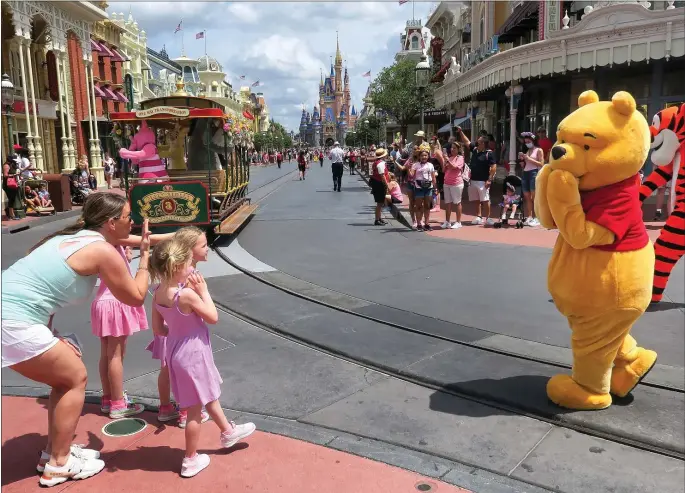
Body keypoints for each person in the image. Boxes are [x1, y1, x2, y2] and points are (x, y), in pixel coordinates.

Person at [2, 193, 153, 486]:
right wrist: (145, 258)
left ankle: (53, 454)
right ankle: (59, 464)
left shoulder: (66, 240)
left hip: (12, 315)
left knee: (64, 378)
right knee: (74, 379)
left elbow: (41, 290)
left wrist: (51, 334)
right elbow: (135, 297)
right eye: (127, 216)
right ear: (111, 223)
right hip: (12, 320)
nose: (131, 222)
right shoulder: (102, 250)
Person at [150, 238, 256, 478]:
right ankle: (190, 459)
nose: (192, 268)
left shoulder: (157, 292)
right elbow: (212, 316)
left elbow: (159, 330)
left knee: (204, 393)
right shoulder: (185, 295)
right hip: (193, 353)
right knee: (195, 412)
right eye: (189, 264)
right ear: (178, 267)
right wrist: (203, 291)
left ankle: (228, 431)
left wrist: (178, 329)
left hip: (175, 351)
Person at [93, 226, 175, 420]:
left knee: (106, 353)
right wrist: (178, 235)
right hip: (115, 301)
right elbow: (145, 241)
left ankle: (107, 398)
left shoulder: (100, 242)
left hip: (101, 301)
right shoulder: (112, 238)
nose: (129, 224)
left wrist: (126, 257)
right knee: (116, 355)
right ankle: (118, 403)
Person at [147, 226, 211, 427]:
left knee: (167, 369)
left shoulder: (168, 275)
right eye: (204, 245)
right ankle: (186, 411)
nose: (208, 248)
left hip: (167, 326)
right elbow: (204, 312)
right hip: (180, 331)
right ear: (190, 250)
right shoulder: (188, 274)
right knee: (181, 371)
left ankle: (166, 407)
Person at [456, 126, 496, 226]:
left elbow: (494, 167)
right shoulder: (474, 149)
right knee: (476, 199)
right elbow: (467, 142)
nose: (476, 142)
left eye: (478, 141)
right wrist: (461, 132)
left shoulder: (489, 154)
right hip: (473, 180)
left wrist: (489, 180)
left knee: (485, 199)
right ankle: (478, 216)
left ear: (483, 143)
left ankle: (488, 218)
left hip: (483, 181)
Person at [518, 131, 543, 226]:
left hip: (534, 173)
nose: (527, 143)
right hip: (525, 172)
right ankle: (529, 216)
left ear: (533, 140)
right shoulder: (527, 151)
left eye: (528, 141)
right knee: (527, 196)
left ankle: (537, 218)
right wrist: (522, 162)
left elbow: (541, 163)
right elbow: (525, 163)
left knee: (534, 197)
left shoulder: (539, 150)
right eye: (526, 142)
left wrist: (529, 159)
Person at [441, 141, 465, 229]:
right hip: (447, 182)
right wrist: (444, 161)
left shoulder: (460, 158)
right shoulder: (449, 158)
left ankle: (458, 222)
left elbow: (454, 167)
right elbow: (444, 170)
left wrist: (447, 160)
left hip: (456, 183)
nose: (452, 149)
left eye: (454, 148)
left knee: (457, 202)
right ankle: (447, 221)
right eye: (451, 147)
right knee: (448, 202)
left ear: (458, 149)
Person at [412, 150, 436, 231]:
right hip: (419, 187)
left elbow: (433, 177)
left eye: (425, 155)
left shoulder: (431, 165)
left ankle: (426, 224)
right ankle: (419, 224)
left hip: (428, 187)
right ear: (419, 157)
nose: (424, 157)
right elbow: (412, 175)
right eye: (422, 155)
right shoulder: (415, 165)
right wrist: (408, 168)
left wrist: (435, 188)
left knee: (427, 206)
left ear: (428, 156)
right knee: (418, 206)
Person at [370, 148, 390, 226]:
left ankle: (379, 218)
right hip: (379, 184)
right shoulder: (381, 164)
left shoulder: (377, 162)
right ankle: (377, 219)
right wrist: (386, 185)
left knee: (381, 203)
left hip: (377, 183)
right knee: (379, 203)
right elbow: (382, 176)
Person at [3, 155, 21, 220]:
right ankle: (11, 215)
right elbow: (5, 175)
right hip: (8, 184)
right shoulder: (6, 165)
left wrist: (28, 167)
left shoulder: (12, 165)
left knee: (12, 199)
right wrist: (14, 175)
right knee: (11, 199)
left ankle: (9, 212)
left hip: (13, 184)